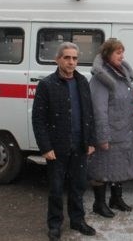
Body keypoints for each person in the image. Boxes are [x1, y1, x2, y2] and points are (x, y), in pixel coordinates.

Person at [32, 42, 96, 241]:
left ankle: (77, 220)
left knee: (78, 186)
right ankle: (54, 225)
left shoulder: (83, 82)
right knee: (56, 189)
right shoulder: (47, 84)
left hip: (79, 145)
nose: (71, 62)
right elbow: (38, 119)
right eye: (67, 58)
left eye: (74, 58)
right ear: (58, 59)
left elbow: (89, 114)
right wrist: (45, 147)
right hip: (57, 148)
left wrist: (91, 140)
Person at [88, 38, 133, 218]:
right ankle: (99, 203)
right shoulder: (100, 78)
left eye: (122, 52)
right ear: (107, 54)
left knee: (120, 165)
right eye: (118, 52)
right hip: (110, 131)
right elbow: (99, 110)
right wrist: (102, 137)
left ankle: (116, 199)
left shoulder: (121, 73)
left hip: (123, 130)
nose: (122, 56)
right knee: (102, 168)